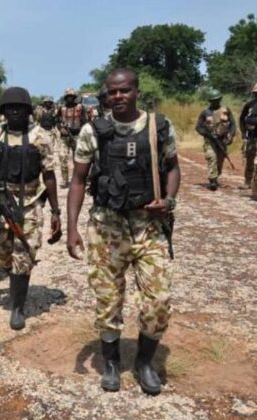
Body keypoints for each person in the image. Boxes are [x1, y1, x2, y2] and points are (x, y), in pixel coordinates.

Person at [67, 68, 180, 396]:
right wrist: (73, 227)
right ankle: (113, 363)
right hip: (107, 227)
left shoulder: (159, 127)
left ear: (137, 92)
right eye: (113, 92)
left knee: (158, 299)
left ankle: (145, 363)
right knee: (107, 299)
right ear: (107, 94)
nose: (118, 97)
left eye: (125, 91)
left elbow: (173, 167)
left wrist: (169, 201)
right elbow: (77, 180)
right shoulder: (94, 131)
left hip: (149, 226)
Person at [0, 87, 61, 330]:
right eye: (10, 108)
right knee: (1, 252)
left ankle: (18, 307)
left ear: (29, 111)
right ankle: (13, 275)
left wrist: (55, 212)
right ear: (2, 111)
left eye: (20, 108)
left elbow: (49, 174)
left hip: (29, 203)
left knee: (24, 253)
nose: (15, 112)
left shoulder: (40, 136)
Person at [196, 90, 236, 191]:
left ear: (220, 99)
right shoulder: (205, 112)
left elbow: (233, 125)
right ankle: (212, 180)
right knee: (212, 158)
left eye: (217, 100)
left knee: (219, 161)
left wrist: (230, 136)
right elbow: (198, 127)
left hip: (222, 140)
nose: (215, 102)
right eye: (213, 100)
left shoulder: (226, 110)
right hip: (210, 141)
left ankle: (216, 177)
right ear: (210, 101)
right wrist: (207, 134)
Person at [57, 88, 87, 188]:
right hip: (64, 137)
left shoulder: (81, 107)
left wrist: (80, 131)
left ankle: (78, 179)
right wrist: (60, 128)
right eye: (68, 97)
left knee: (78, 159)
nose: (70, 98)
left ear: (74, 97)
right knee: (62, 157)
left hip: (77, 136)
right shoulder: (61, 109)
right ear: (65, 98)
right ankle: (65, 180)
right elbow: (57, 120)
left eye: (71, 96)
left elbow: (84, 121)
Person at [238, 82, 257, 194]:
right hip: (251, 137)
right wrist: (243, 133)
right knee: (249, 159)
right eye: (255, 93)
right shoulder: (249, 105)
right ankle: (247, 181)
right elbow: (242, 119)